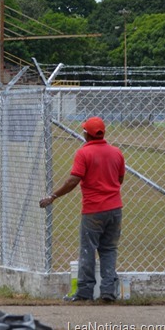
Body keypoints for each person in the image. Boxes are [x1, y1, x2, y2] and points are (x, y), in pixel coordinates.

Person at [39, 117, 125, 303]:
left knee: (88, 249)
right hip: (115, 209)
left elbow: (72, 180)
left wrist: (53, 196)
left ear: (86, 134)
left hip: (93, 210)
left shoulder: (84, 153)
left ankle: (85, 292)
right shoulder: (116, 152)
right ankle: (108, 291)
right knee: (109, 249)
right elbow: (119, 180)